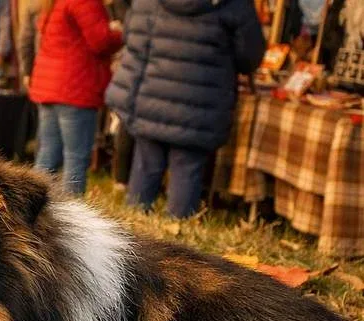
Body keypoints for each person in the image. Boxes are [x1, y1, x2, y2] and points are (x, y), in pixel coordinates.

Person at [106, 0, 265, 217]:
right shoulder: (234, 4)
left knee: (146, 166)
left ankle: (133, 228)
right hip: (200, 105)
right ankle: (177, 228)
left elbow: (131, 36)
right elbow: (250, 57)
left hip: (151, 96)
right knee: (187, 172)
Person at [25, 0, 123, 195]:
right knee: (75, 159)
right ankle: (72, 209)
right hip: (75, 89)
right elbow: (100, 41)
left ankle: (32, 205)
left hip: (50, 87)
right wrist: (119, 33)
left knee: (47, 157)